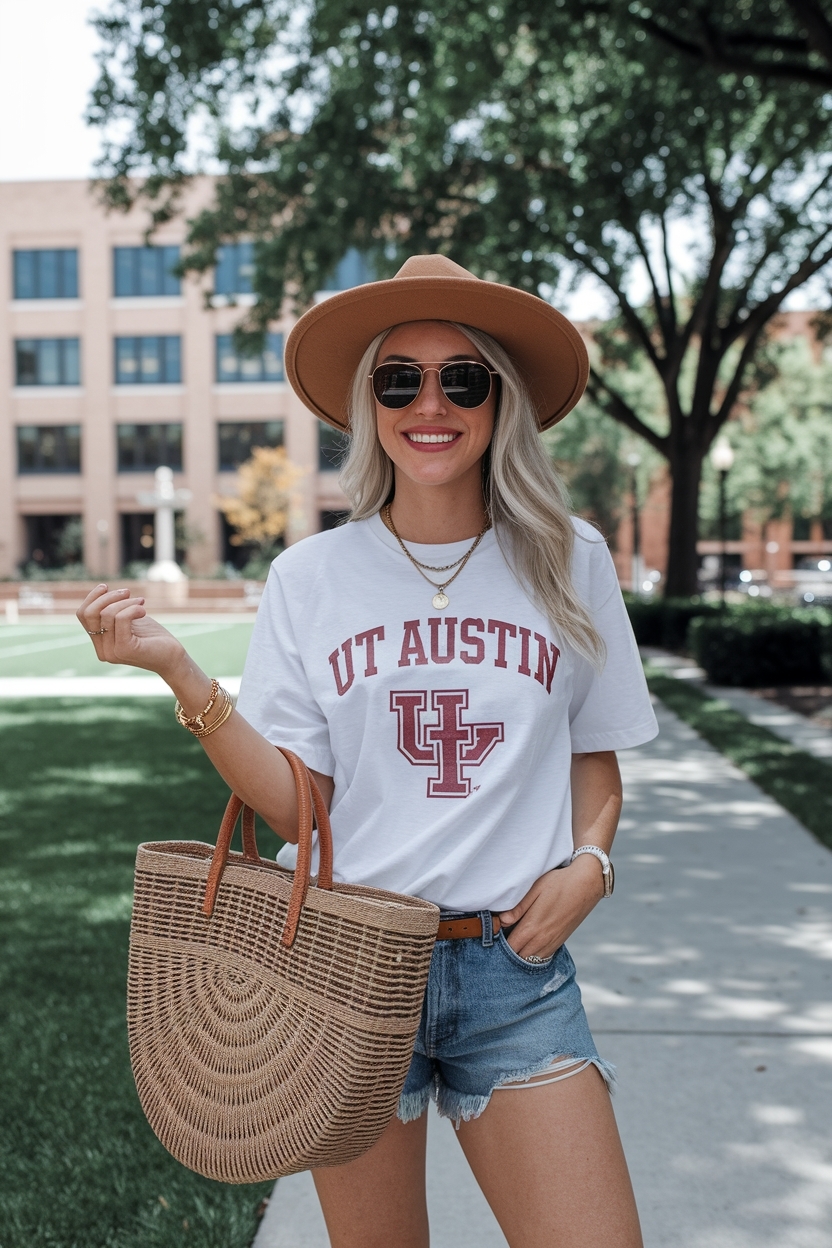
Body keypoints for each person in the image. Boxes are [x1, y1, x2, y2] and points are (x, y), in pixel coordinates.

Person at [78, 254, 657, 1248]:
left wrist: (591, 867)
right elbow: (297, 809)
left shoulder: (573, 558)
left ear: (499, 401)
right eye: (399, 380)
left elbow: (593, 749)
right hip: (345, 968)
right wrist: (182, 673)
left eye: (462, 379)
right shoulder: (309, 577)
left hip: (513, 970)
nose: (430, 404)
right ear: (368, 405)